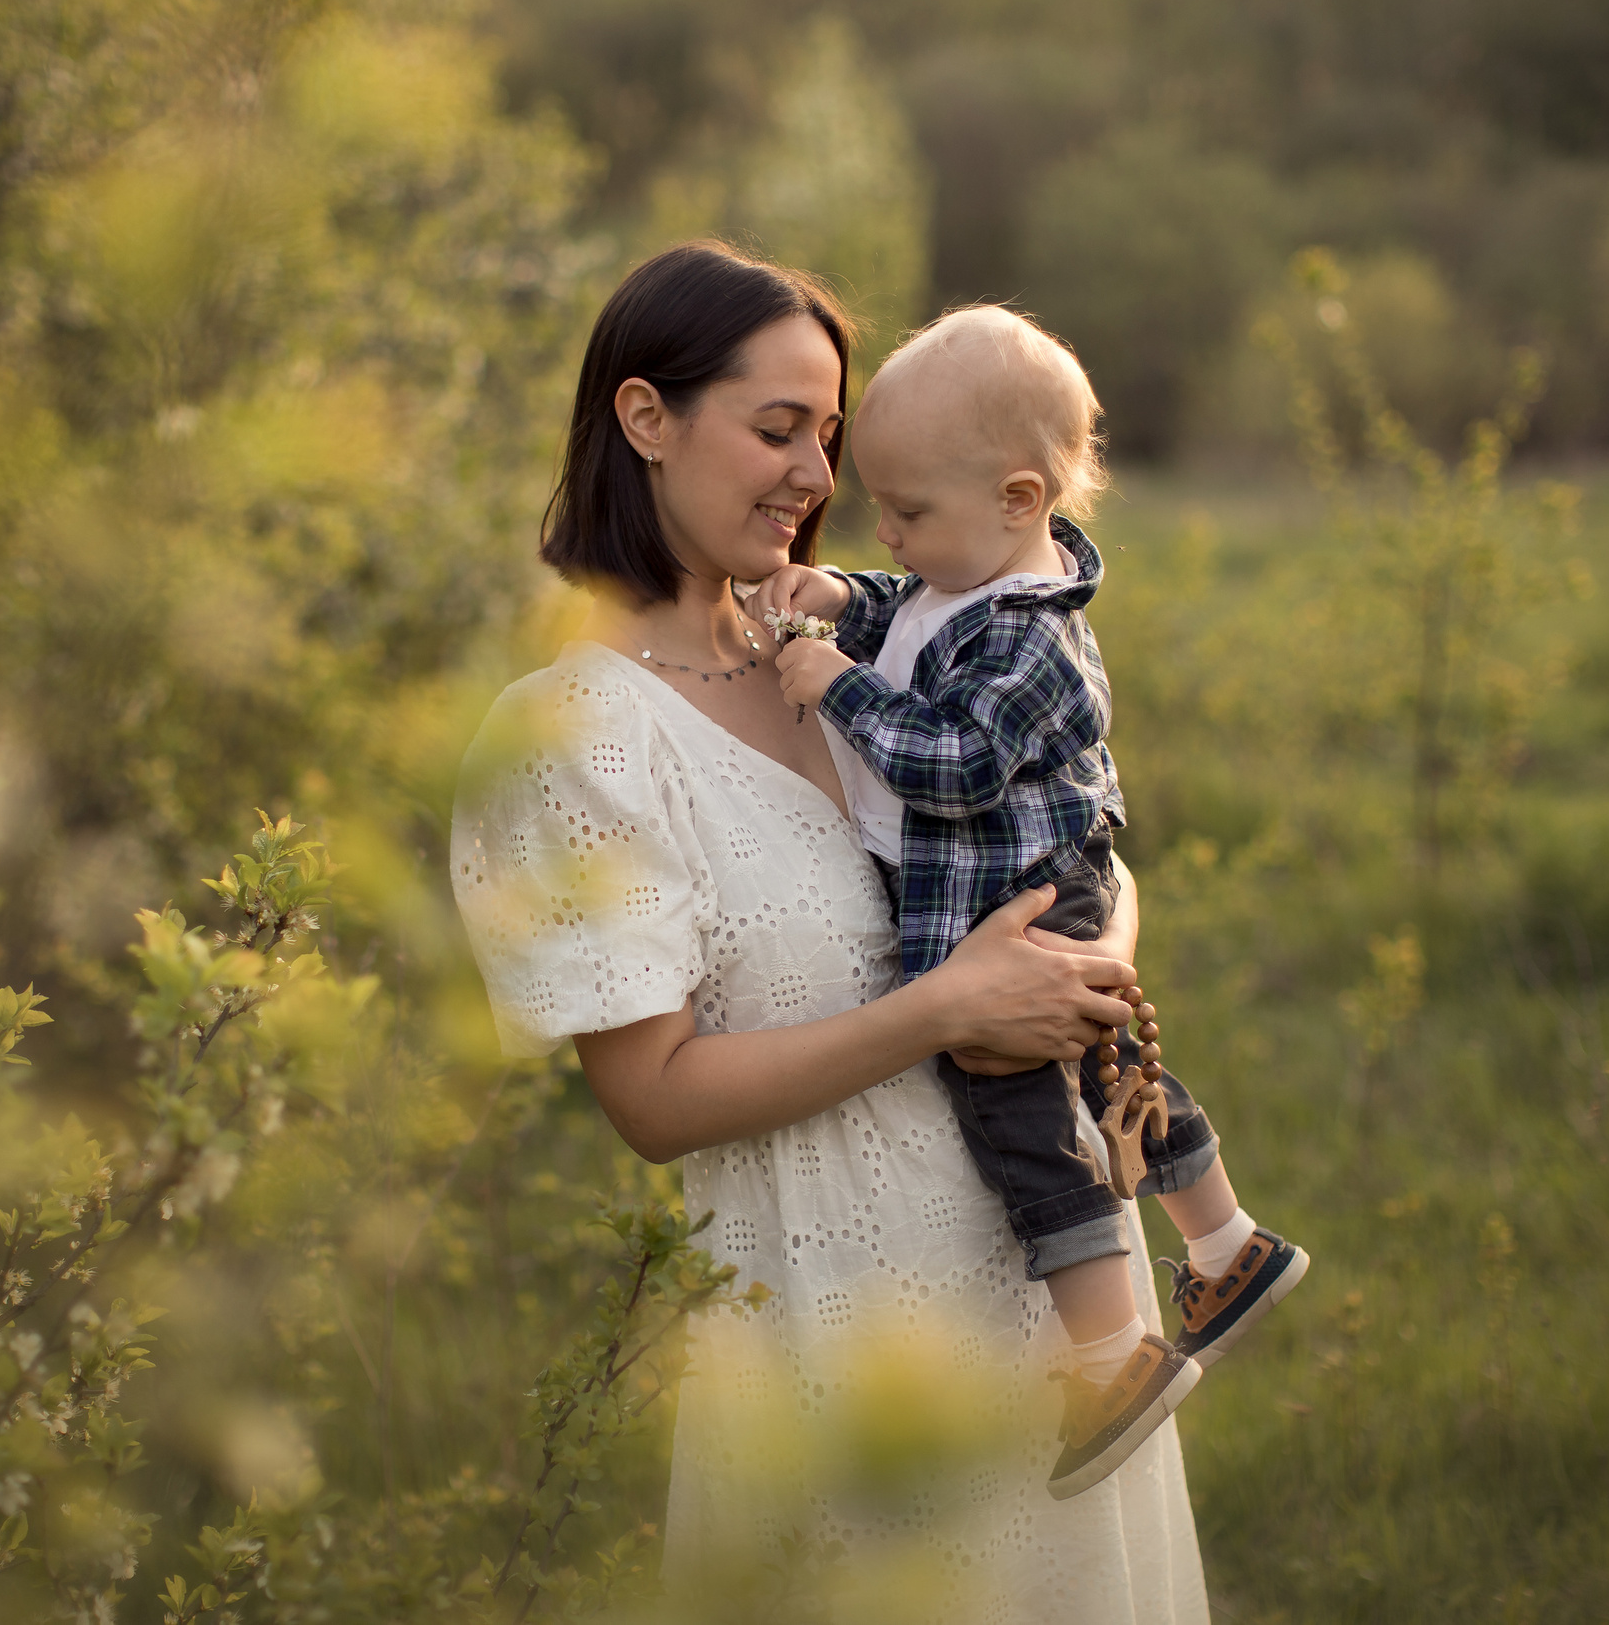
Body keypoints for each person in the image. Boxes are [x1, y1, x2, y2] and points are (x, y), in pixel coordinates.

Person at [452, 242, 1210, 1619]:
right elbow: (655, 1099)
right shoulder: (572, 732)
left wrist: (1090, 952)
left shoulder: (878, 649)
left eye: (833, 433)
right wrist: (947, 1007)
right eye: (776, 427)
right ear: (645, 419)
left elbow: (1075, 847)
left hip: (1067, 1323)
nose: (817, 473)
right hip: (834, 1339)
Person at [755, 305, 1308, 1500]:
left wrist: (833, 684)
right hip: (1040, 887)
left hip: (1024, 896)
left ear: (1017, 498)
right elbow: (910, 607)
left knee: (1019, 1110)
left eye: (907, 513)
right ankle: (1224, 1244)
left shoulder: (1034, 646)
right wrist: (840, 596)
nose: (885, 535)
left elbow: (948, 761)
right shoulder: (968, 578)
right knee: (1114, 1069)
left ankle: (1113, 1355)